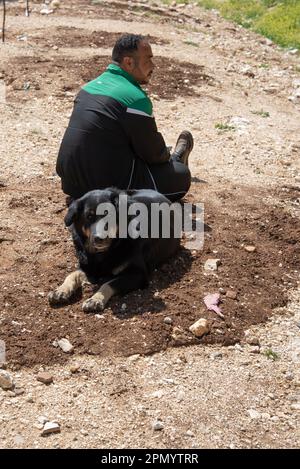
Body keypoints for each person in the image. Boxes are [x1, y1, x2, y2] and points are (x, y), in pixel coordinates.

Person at [56, 34, 194, 202]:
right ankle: (178, 159)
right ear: (129, 62)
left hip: (72, 184)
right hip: (105, 188)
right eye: (148, 60)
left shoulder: (87, 88)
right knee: (180, 175)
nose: (153, 66)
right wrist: (168, 159)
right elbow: (154, 155)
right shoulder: (135, 98)